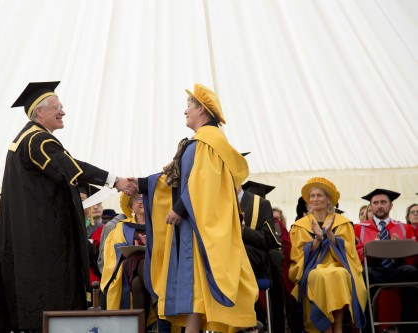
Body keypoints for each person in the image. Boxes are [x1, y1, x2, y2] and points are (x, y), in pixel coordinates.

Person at [0, 81, 137, 332]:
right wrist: (116, 180)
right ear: (40, 112)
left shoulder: (23, 140)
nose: (63, 112)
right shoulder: (37, 139)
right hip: (46, 238)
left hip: (32, 235)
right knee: (53, 297)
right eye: (57, 107)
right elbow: (69, 167)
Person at [134, 84, 259, 333]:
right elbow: (176, 178)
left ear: (201, 109)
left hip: (200, 226)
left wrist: (179, 208)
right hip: (193, 224)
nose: (185, 112)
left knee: (200, 288)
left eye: (188, 107)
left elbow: (203, 183)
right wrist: (138, 184)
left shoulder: (210, 141)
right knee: (195, 293)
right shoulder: (199, 142)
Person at [289, 177, 366, 333]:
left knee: (340, 274)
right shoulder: (300, 226)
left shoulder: (343, 223)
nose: (315, 199)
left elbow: (350, 253)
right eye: (312, 196)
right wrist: (317, 240)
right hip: (312, 268)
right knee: (320, 276)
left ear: (328, 199)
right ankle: (326, 328)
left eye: (319, 195)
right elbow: (297, 255)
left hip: (338, 265)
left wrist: (331, 235)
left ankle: (336, 326)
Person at [355, 189, 418, 333]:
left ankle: (409, 327)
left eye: (383, 202)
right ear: (370, 207)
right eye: (375, 203)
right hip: (373, 269)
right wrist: (372, 249)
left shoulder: (405, 228)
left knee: (412, 271)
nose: (379, 206)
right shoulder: (358, 229)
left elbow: (414, 256)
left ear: (391, 206)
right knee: (362, 275)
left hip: (398, 268)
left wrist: (399, 249)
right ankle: (367, 329)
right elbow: (354, 255)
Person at [101, 194, 154, 327]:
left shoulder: (159, 225)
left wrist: (151, 247)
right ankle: (158, 298)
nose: (142, 202)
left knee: (137, 283)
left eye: (145, 199)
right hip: (127, 267)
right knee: (139, 258)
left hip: (154, 265)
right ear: (131, 207)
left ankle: (140, 328)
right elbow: (113, 250)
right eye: (138, 199)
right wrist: (137, 247)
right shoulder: (122, 227)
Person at [240, 181, 283, 333]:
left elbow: (267, 240)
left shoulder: (260, 204)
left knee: (241, 251)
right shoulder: (214, 202)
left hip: (253, 261)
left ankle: (247, 319)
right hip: (221, 261)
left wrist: (243, 230)